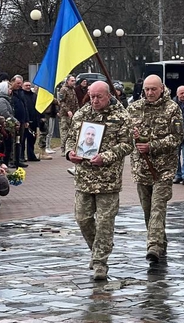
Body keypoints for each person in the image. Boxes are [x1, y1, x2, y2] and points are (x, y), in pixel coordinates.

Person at [65, 81, 133, 280]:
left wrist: (107, 156)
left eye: (99, 97)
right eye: (91, 96)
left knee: (104, 222)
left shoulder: (120, 116)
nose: (94, 100)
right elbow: (70, 139)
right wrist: (70, 153)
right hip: (84, 178)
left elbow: (127, 145)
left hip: (107, 180)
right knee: (83, 219)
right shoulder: (82, 114)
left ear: (108, 95)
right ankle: (97, 251)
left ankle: (100, 263)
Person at [127, 75, 183, 263]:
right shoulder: (134, 109)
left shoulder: (171, 108)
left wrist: (152, 146)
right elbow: (123, 134)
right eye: (147, 89)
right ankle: (160, 240)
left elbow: (177, 137)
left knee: (158, 207)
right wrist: (131, 135)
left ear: (162, 88)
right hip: (141, 169)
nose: (150, 93)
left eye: (153, 89)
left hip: (163, 169)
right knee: (148, 210)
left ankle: (153, 246)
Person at [58, 75, 78, 157]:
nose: (73, 82)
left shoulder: (73, 89)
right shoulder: (63, 89)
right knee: (64, 131)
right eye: (72, 81)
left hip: (73, 113)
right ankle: (63, 148)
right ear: (67, 81)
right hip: (65, 114)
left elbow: (75, 101)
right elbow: (61, 101)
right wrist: (67, 110)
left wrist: (78, 111)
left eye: (74, 81)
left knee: (72, 131)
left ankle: (70, 148)